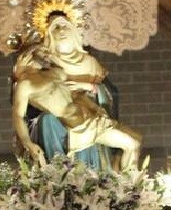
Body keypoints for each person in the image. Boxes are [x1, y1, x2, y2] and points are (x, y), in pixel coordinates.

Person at [12, 13, 140, 170]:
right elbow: (19, 112)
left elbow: (90, 93)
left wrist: (91, 92)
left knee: (134, 141)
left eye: (65, 26)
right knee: (47, 120)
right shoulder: (30, 80)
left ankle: (129, 188)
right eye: (56, 28)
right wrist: (17, 75)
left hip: (90, 117)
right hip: (69, 126)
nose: (46, 55)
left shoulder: (58, 72)